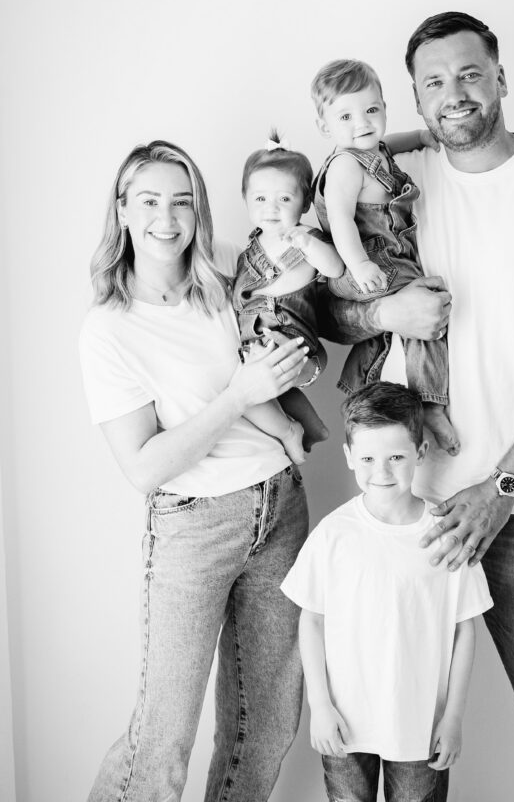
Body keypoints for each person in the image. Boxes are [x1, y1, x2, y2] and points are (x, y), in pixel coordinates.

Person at [319, 12, 514, 802]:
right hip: (414, 502)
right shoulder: (398, 188)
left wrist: (500, 488)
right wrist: (386, 316)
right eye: (432, 82)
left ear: (500, 79)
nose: (452, 93)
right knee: (405, 725)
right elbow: (332, 312)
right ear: (414, 99)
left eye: (468, 74)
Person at [79, 139, 312, 802]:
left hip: (281, 509)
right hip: (194, 531)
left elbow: (316, 297)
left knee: (263, 728)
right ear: (122, 211)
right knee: (162, 741)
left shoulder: (228, 284)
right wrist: (239, 394)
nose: (167, 217)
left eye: (182, 201)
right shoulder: (110, 329)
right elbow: (144, 468)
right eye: (149, 200)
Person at [281, 382, 492, 802]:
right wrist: (320, 707)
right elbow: (312, 620)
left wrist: (453, 718)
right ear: (349, 458)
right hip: (345, 723)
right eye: (368, 458)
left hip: (419, 725)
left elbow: (466, 629)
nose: (382, 471)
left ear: (421, 453)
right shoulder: (334, 535)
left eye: (396, 456)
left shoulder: (445, 534)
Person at [311, 57, 460, 455]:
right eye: (345, 116)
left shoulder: (368, 150)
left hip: (377, 262)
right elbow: (341, 219)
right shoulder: (344, 165)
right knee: (425, 309)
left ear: (384, 109)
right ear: (325, 127)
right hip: (371, 262)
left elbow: (386, 147)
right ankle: (429, 401)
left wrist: (417, 137)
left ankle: (361, 379)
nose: (361, 123)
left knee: (394, 325)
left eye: (371, 110)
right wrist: (360, 265)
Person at [233, 131, 344, 454]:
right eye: (260, 199)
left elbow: (335, 269)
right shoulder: (250, 247)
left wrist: (310, 246)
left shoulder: (304, 235)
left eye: (284, 198)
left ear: (305, 202)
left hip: (290, 332)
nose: (271, 208)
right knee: (262, 389)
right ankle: (307, 427)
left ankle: (289, 432)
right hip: (253, 333)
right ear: (246, 199)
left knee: (251, 378)